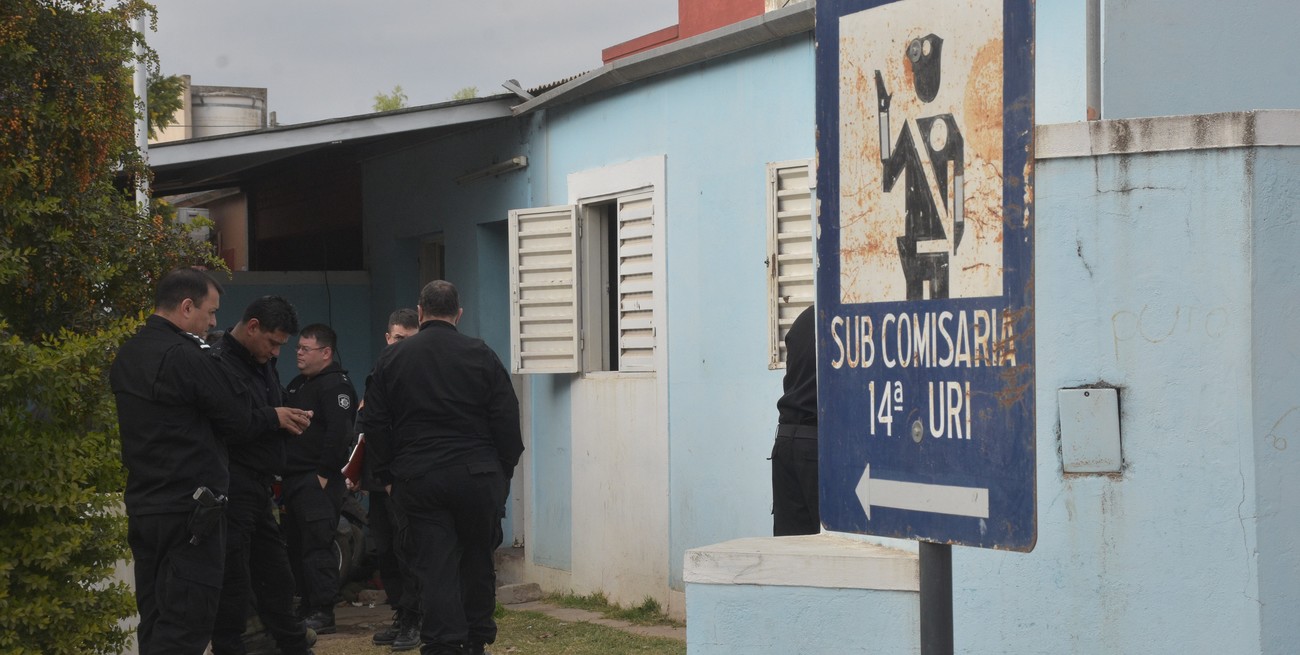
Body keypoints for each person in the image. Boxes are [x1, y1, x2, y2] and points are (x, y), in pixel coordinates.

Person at [110, 268, 308, 654]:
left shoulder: (129, 353)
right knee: (188, 620)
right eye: (211, 312)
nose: (214, 322)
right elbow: (238, 417)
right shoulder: (189, 356)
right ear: (187, 307)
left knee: (156, 615)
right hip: (191, 509)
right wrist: (273, 416)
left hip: (146, 504)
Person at [361, 281, 523, 655]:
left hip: (419, 477)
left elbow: (375, 423)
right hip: (477, 474)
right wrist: (501, 472)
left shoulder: (392, 359)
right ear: (458, 314)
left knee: (434, 566)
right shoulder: (481, 354)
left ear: (420, 313)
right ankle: (476, 638)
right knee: (477, 559)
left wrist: (387, 477)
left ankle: (443, 643)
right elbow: (506, 418)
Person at [209, 296, 316, 655]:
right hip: (232, 482)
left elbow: (269, 404)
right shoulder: (217, 362)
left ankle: (294, 644)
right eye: (272, 343)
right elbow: (229, 421)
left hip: (260, 484)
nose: (275, 353)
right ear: (252, 327)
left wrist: (290, 415)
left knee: (277, 575)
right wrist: (275, 417)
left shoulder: (262, 362)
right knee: (234, 580)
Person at [282, 323, 358, 634]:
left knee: (318, 546)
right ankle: (307, 605)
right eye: (298, 348)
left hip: (317, 479)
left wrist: (324, 475)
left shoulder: (335, 386)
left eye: (305, 348)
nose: (298, 353)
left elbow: (340, 434)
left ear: (326, 353)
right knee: (296, 546)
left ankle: (323, 611)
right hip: (293, 478)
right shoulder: (299, 384)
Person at [363, 308, 423, 651]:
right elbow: (367, 426)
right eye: (398, 338)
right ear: (388, 338)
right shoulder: (380, 372)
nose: (402, 346)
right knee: (385, 549)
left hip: (406, 477)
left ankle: (414, 618)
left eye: (409, 340)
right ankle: (401, 613)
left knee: (407, 549)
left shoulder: (420, 376)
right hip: (379, 478)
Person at [772, 304, 820, 536]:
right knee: (836, 543)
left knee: (790, 544)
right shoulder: (843, 320)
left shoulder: (804, 319)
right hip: (817, 444)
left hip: (785, 441)